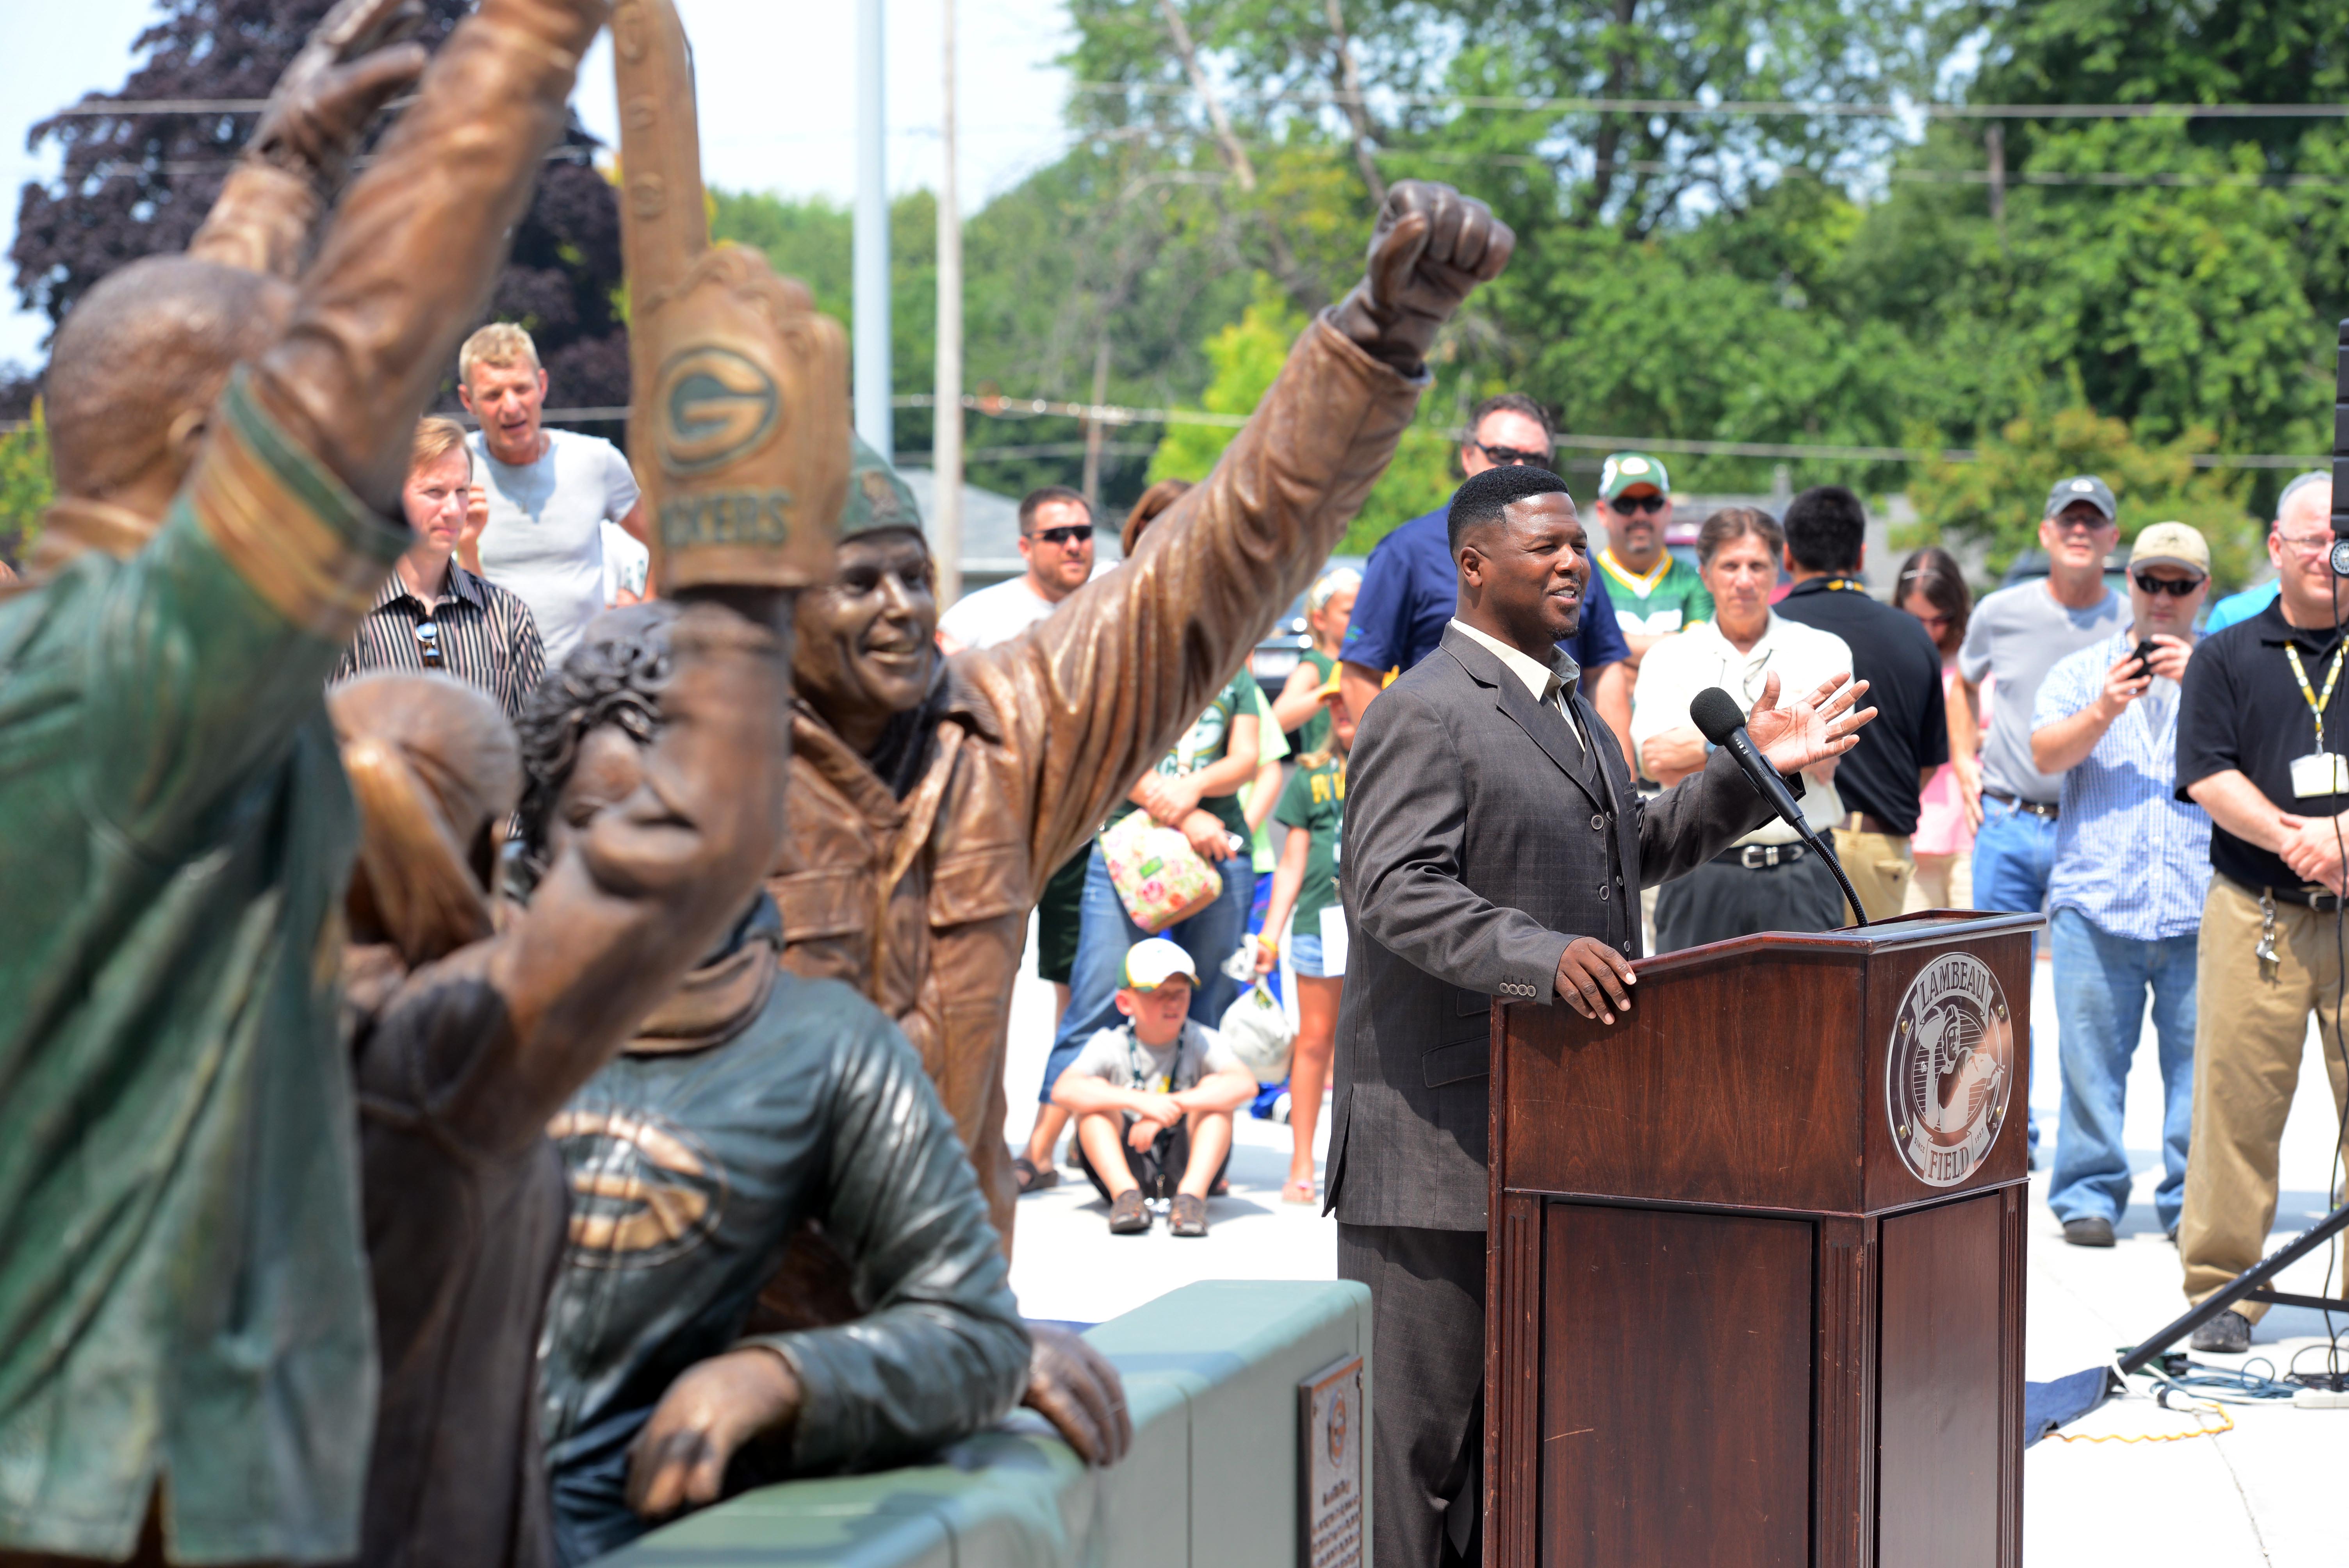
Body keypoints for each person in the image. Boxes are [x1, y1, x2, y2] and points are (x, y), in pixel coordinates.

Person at [0, 0, 608, 1554]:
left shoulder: (63, 661)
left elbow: (172, 370)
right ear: (222, 446)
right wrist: (529, 41)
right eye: (276, 442)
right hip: (129, 1489)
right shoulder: (149, 682)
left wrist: (281, 169)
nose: (321, 467)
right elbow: (358, 354)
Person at [753, 182, 1510, 1258]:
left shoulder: (996, 735)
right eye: (857, 582)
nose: (902, 608)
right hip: (742, 1330)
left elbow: (1223, 558)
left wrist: (1378, 340)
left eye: (914, 576)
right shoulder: (692, 777)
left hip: (946, 1311)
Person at [1331, 462, 1874, 1568]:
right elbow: (1394, 888)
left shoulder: (1571, 702)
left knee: (1516, 1462)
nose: (1576, 561)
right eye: (1546, 547)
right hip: (1437, 1156)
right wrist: (1541, 955)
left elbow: (1635, 846)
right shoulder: (1423, 710)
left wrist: (1745, 775)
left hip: (1555, 1140)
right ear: (1474, 567)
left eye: (1579, 544)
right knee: (1412, 1471)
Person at [518, 643, 1047, 1564]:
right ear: (538, 836)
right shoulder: (450, 1009)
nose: (639, 858)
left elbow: (968, 1326)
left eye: (681, 822)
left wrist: (777, 1378)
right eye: (598, 821)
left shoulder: (821, 1047)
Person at [333, 583, 796, 1566]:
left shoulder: (262, 1009)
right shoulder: (446, 1040)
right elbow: (685, 856)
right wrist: (745, 595)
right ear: (494, 841)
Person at [2174, 473, 2349, 1353]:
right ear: (2275, 547)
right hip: (2257, 911)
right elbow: (2206, 773)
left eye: (2338, 537)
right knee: (2235, 1106)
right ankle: (2223, 1291)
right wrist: (2300, 842)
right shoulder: (2225, 654)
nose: (2325, 555)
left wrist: (2344, 839)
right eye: (2307, 539)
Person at [2028, 523, 2213, 1251]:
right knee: (2089, 1068)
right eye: (2150, 582)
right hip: (2097, 899)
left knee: (2200, 1075)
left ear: (2203, 591)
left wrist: (2197, 683)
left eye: (2180, 585)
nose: (2163, 600)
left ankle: (2193, 1201)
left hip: (2199, 902)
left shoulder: (2221, 671)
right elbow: (2044, 755)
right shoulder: (2082, 671)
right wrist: (2105, 708)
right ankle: (2088, 1194)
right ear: (2127, 582)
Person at [1337, 395, 1636, 759]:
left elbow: (1605, 668)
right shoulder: (1406, 551)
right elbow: (1360, 674)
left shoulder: (1570, 555)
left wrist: (1619, 787)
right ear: (1467, 456)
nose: (1520, 467)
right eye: (1504, 454)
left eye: (1537, 459)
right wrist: (1410, 769)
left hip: (1571, 776)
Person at [1631, 508, 1855, 950]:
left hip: (1801, 869)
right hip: (1698, 871)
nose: (1744, 579)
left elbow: (1825, 761)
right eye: (1730, 566)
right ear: (1705, 574)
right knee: (1688, 1018)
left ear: (1778, 570)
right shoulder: (1669, 655)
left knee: (1812, 1018)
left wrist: (1705, 751)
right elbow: (1656, 759)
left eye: (1757, 565)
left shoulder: (1822, 649)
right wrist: (1766, 744)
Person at [1773, 485, 1950, 921]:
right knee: (1871, 990)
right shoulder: (1913, 634)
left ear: (1788, 556)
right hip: (1878, 848)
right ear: (1860, 557)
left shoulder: (1771, 630)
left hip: (1793, 843)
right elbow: (1928, 762)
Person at [1959, 476, 2128, 917]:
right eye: (2068, 518)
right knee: (1996, 980)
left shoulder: (2134, 621)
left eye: (2093, 521)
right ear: (2045, 533)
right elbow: (1964, 682)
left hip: (2097, 823)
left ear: (2112, 537)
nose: (2079, 530)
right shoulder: (1999, 611)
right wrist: (1961, 761)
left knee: (2086, 984)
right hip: (2006, 820)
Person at [460, 321, 651, 667]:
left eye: (521, 388)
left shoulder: (597, 460)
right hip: (491, 684)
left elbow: (663, 540)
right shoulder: (451, 470)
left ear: (543, 385)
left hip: (585, 686)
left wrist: (644, 613)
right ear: (467, 401)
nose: (511, 406)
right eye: (492, 395)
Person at [336, 415, 545, 718]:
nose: (453, 510)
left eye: (462, 492)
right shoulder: (345, 619)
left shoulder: (508, 617)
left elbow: (538, 740)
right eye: (435, 492)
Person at [1051, 938, 1260, 1237]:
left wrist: (1171, 1107)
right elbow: (1064, 1090)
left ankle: (1191, 1200)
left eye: (1181, 992)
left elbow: (1245, 1084)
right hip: (1128, 1164)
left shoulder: (1202, 1038)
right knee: (1094, 1101)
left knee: (1216, 1092)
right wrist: (1140, 1102)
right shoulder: (1111, 1043)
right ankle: (1126, 1197)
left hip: (1185, 1167)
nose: (1173, 1002)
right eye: (1158, 994)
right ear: (1126, 1002)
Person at [1257, 665, 1354, 1204]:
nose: (1340, 709)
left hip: (1383, 928)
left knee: (1377, 1047)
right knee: (1314, 1041)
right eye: (1332, 702)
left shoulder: (1402, 758)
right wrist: (1270, 935)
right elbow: (1291, 863)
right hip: (1320, 925)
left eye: (1349, 699)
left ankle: (1359, 1158)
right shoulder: (1310, 774)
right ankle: (1301, 1162)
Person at [1892, 547, 1979, 910]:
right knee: (1913, 956)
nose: (1928, 631)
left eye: (1939, 619)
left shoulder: (1976, 655)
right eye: (1916, 619)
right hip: (1915, 821)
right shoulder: (1893, 654)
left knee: (1979, 956)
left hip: (1974, 822)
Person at [934, 485, 1098, 653]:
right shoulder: (972, 619)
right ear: (1026, 548)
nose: (1074, 545)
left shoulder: (1110, 614)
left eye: (1083, 533)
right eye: (1058, 535)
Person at [1589, 451, 1712, 667]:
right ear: (1602, 513)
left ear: (1668, 510)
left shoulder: (1696, 580)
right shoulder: (1585, 580)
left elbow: (1700, 653)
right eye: (1625, 504)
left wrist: (1609, 651)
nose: (1640, 516)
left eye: (1651, 503)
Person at [2204, 471, 2327, 633]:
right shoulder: (2233, 616)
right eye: (2312, 540)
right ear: (2278, 541)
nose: (2327, 556)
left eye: (2340, 538)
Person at [1272, 565, 1361, 752]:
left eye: (1364, 610)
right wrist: (1330, 689)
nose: (1360, 619)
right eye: (1350, 613)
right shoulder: (1315, 665)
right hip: (1321, 777)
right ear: (1320, 619)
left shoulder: (1372, 664)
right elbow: (1277, 720)